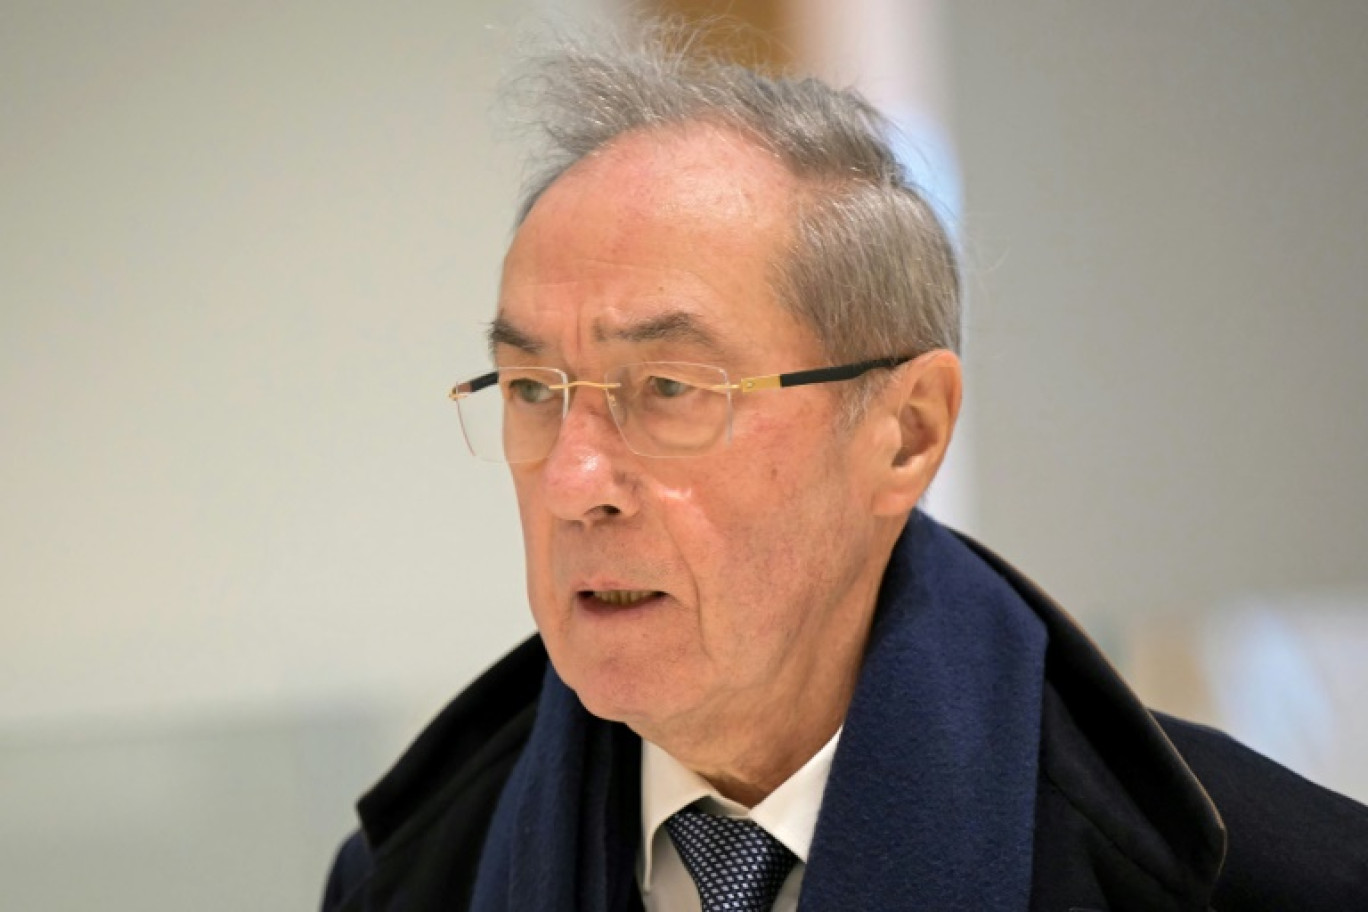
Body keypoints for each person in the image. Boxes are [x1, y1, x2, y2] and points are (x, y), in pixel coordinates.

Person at [321, 25, 1368, 912]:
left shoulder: (1268, 877)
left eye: (671, 389)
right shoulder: (407, 876)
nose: (572, 481)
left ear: (906, 432)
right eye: (536, 392)